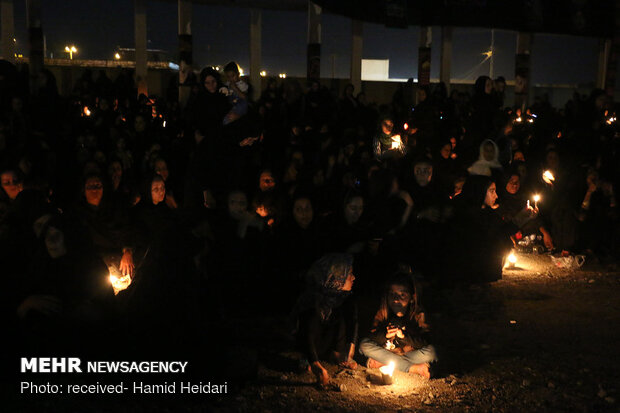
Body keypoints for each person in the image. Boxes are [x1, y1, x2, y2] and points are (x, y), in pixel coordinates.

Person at [291, 253, 358, 386]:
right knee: (314, 316)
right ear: (336, 277)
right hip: (309, 344)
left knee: (342, 314)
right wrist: (315, 364)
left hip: (327, 344)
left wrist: (351, 345)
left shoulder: (343, 298)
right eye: (349, 274)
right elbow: (307, 331)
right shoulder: (312, 299)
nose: (353, 277)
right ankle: (308, 358)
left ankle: (335, 354)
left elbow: (353, 321)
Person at [359, 271, 436, 378]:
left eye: (402, 295)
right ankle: (412, 368)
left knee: (432, 351)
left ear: (412, 298)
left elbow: (426, 342)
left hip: (409, 354)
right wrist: (385, 335)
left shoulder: (418, 314)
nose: (396, 299)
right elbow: (371, 337)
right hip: (388, 351)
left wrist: (404, 337)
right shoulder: (383, 312)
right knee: (364, 345)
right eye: (392, 294)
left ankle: (384, 363)